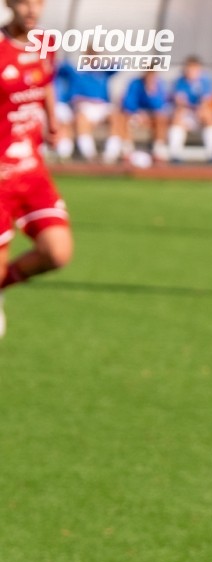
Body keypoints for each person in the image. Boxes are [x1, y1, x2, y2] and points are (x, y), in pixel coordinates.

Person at [0, 0, 72, 337]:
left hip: (32, 172)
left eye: (39, 2)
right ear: (8, 4)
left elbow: (45, 82)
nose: (32, 10)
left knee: (58, 252)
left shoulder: (46, 43)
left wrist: (53, 120)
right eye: (24, 2)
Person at [106, 69, 170, 164]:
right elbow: (128, 102)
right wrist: (138, 112)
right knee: (124, 117)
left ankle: (158, 150)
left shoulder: (159, 85)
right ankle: (127, 150)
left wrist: (151, 94)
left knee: (161, 119)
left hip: (150, 117)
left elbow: (159, 106)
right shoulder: (135, 84)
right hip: (135, 115)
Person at [169, 56, 212, 162]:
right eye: (189, 68)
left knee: (210, 115)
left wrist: (200, 109)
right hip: (186, 113)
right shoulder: (180, 82)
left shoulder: (205, 81)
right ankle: (175, 154)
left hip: (200, 113)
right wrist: (189, 109)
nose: (191, 72)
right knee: (178, 115)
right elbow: (180, 102)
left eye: (194, 69)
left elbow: (206, 101)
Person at [66, 55, 114, 162]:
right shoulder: (79, 75)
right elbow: (74, 98)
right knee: (81, 119)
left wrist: (106, 57)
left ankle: (110, 156)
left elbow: (118, 66)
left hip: (103, 107)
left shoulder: (103, 74)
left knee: (118, 117)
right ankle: (90, 155)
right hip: (86, 107)